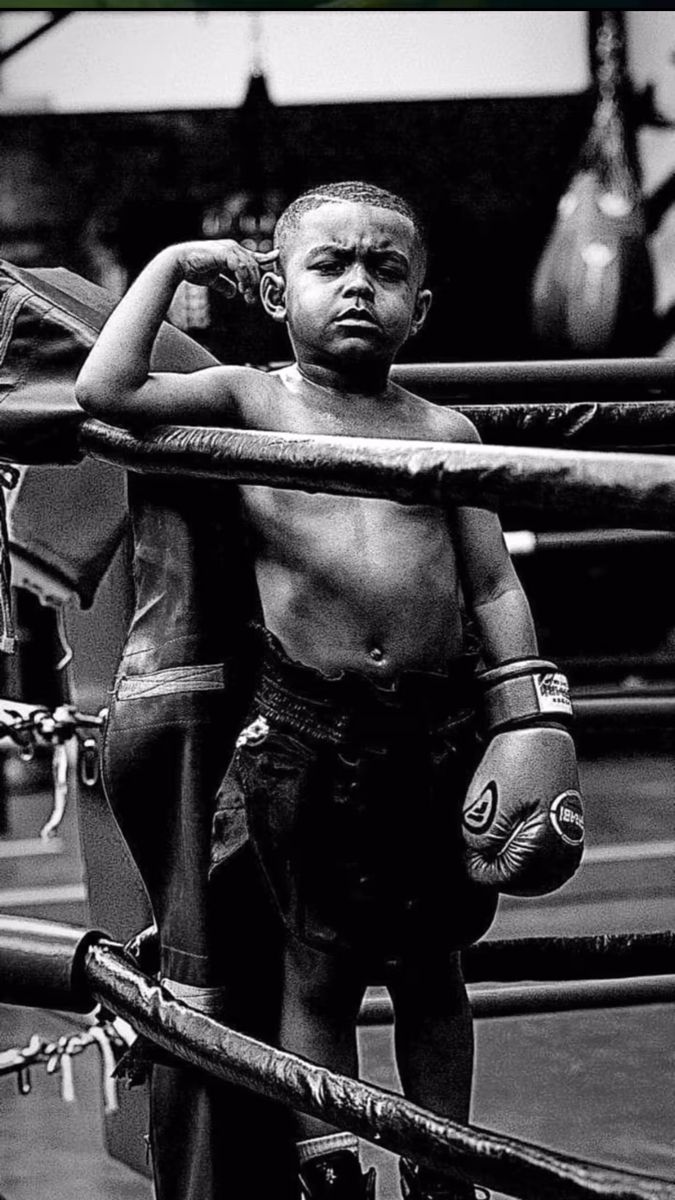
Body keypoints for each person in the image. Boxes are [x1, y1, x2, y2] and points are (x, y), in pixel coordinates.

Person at [76, 181, 583, 1200]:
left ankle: (448, 1166)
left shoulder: (447, 427)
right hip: (311, 730)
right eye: (329, 265)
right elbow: (105, 392)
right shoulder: (251, 401)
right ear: (277, 291)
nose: (358, 286)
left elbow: (491, 583)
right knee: (319, 970)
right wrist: (176, 264)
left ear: (421, 308)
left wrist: (530, 714)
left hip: (439, 734)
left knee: (434, 970)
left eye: (386, 271)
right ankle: (330, 1164)